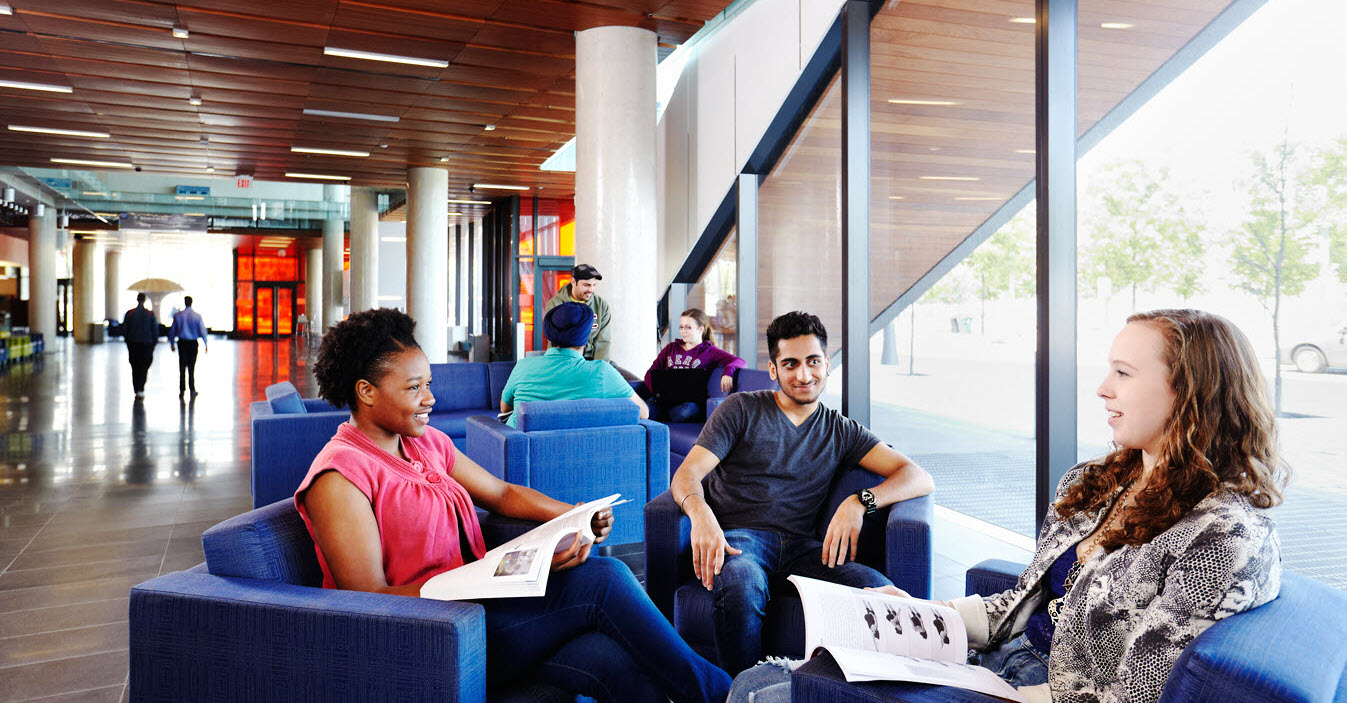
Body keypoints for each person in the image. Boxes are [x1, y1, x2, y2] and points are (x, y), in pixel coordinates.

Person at [728, 309, 1288, 703]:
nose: (1101, 388)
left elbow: (1134, 693)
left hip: (1036, 691)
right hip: (998, 658)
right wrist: (927, 614)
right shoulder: (1096, 482)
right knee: (753, 683)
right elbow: (1026, 601)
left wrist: (1002, 688)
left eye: (1123, 372)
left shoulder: (1222, 536)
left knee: (763, 695)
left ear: (1188, 392)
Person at [296, 308, 729, 703]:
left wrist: (572, 513)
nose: (430, 399)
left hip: (478, 612)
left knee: (611, 662)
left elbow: (501, 493)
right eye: (414, 388)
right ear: (366, 392)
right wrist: (484, 582)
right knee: (604, 580)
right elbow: (368, 600)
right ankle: (724, 694)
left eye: (429, 384)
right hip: (426, 636)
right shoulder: (339, 476)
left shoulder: (425, 443)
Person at [670, 310, 935, 675]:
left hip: (806, 552)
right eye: (790, 364)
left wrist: (859, 502)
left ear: (827, 363)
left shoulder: (840, 430)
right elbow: (686, 475)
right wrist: (700, 515)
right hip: (740, 542)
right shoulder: (740, 410)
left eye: (813, 362)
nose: (804, 375)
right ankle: (742, 694)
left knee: (882, 592)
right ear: (774, 369)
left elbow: (918, 476)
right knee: (742, 586)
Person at [500, 302, 647, 427]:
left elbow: (505, 407)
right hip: (580, 453)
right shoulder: (602, 372)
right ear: (586, 337)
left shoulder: (523, 366)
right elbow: (642, 412)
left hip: (517, 451)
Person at [642, 307, 745, 422]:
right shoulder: (671, 348)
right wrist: (656, 391)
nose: (683, 331)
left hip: (688, 403)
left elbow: (740, 361)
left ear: (700, 329)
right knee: (644, 410)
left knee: (686, 411)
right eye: (681, 327)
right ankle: (662, 414)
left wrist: (728, 371)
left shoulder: (709, 351)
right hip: (663, 400)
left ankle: (662, 416)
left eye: (688, 327)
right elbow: (650, 373)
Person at [543, 264, 610, 362]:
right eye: (586, 285)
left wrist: (600, 369)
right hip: (564, 360)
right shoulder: (555, 304)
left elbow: (603, 342)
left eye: (594, 285)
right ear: (573, 282)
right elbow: (553, 342)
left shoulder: (601, 306)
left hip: (591, 361)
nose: (591, 290)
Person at [169, 295, 208, 399]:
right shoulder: (197, 316)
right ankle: (192, 389)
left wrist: (172, 343)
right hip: (192, 344)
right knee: (192, 367)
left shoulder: (178, 316)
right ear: (192, 302)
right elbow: (202, 331)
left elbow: (172, 331)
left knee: (182, 367)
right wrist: (205, 343)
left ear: (184, 302)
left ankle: (182, 390)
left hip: (182, 343)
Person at [123, 292, 158, 398]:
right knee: (144, 367)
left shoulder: (130, 313)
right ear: (144, 300)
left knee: (135, 366)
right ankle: (141, 388)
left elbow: (125, 330)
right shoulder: (150, 314)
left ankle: (136, 387)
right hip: (146, 344)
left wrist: (128, 342)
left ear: (137, 300)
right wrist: (153, 344)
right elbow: (155, 331)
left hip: (133, 343)